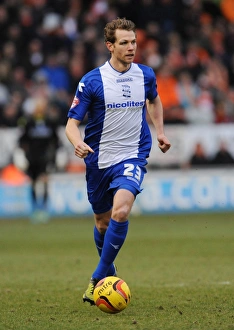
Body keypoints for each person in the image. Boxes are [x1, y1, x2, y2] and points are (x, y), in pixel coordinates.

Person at [65, 18, 171, 305]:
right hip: (98, 160)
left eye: (134, 41)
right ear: (109, 46)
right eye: (124, 42)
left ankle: (97, 279)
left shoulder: (145, 75)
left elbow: (154, 100)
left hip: (132, 155)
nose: (131, 47)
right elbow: (71, 125)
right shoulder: (92, 81)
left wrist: (160, 131)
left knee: (121, 211)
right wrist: (78, 143)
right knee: (102, 223)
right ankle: (109, 272)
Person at [19, 97, 60, 221]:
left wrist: (53, 157)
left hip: (45, 158)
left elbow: (56, 141)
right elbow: (22, 140)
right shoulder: (29, 123)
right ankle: (35, 209)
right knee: (33, 183)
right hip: (32, 158)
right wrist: (25, 155)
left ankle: (44, 209)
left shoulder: (50, 122)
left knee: (45, 181)